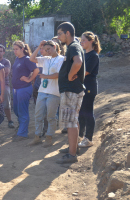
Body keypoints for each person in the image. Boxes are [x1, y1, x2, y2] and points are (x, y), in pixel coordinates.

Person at [56, 22, 85, 164]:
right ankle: (74, 148)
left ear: (68, 33)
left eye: (60, 33)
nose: (58, 36)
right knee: (74, 120)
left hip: (71, 91)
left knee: (70, 122)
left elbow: (78, 62)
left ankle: (72, 154)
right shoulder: (73, 47)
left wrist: (69, 76)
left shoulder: (73, 46)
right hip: (72, 91)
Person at [29, 40, 65, 147]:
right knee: (38, 114)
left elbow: (58, 74)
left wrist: (45, 76)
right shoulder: (45, 59)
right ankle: (37, 137)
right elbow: (32, 59)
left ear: (55, 47)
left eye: (48, 49)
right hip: (42, 91)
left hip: (54, 92)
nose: (47, 51)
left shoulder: (61, 59)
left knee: (51, 116)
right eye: (45, 50)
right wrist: (39, 46)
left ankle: (49, 137)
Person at [11, 40, 39, 142]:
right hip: (16, 89)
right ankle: (21, 129)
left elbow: (36, 70)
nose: (15, 51)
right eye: (14, 49)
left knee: (22, 111)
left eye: (16, 49)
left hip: (24, 88)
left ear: (22, 49)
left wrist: (29, 79)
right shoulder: (17, 59)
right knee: (16, 110)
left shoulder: (27, 59)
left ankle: (22, 133)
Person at [78, 31, 101, 147]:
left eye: (83, 40)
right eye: (81, 40)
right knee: (81, 113)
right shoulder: (83, 54)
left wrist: (72, 75)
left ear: (91, 41)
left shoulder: (93, 56)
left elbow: (86, 72)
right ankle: (80, 136)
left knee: (87, 112)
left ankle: (88, 138)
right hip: (82, 87)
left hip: (89, 88)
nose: (81, 42)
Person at [0, 44, 14, 128]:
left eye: (1, 51)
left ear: (3, 52)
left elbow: (6, 73)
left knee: (6, 104)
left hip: (5, 84)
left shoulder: (6, 62)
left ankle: (10, 121)